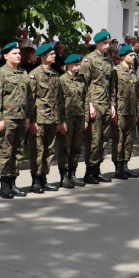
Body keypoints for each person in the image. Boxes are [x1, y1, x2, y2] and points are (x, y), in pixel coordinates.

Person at [0, 42, 33, 198]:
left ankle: (13, 182)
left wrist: (28, 117)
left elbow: (29, 98)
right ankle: (4, 185)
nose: (18, 55)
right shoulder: (0, 74)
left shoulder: (23, 73)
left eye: (19, 53)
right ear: (6, 56)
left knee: (17, 152)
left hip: (21, 119)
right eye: (15, 53)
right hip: (7, 119)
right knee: (5, 152)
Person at [28, 43, 64, 192]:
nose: (54, 56)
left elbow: (59, 100)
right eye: (51, 54)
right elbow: (30, 99)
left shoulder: (56, 75)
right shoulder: (34, 75)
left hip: (52, 119)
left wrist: (59, 120)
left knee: (49, 151)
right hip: (40, 119)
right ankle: (35, 180)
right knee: (38, 150)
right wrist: (32, 120)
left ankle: (44, 178)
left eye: (54, 54)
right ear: (42, 57)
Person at [80, 31, 115, 184]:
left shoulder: (108, 61)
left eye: (108, 43)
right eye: (104, 43)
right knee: (93, 139)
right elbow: (83, 85)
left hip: (106, 104)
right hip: (94, 103)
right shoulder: (89, 60)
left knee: (104, 138)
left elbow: (112, 84)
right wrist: (89, 105)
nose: (107, 46)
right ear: (97, 43)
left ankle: (97, 169)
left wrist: (113, 104)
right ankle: (90, 171)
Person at [57, 54, 87, 188]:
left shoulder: (81, 80)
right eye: (75, 64)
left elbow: (85, 99)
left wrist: (85, 118)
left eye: (79, 64)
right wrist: (60, 121)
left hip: (79, 117)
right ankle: (63, 176)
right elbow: (58, 102)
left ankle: (72, 174)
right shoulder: (62, 80)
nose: (78, 66)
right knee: (65, 147)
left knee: (76, 147)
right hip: (67, 119)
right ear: (68, 65)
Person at [110, 44, 139, 179]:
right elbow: (112, 91)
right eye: (131, 55)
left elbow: (136, 92)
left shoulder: (133, 71)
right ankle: (118, 167)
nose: (134, 57)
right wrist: (113, 108)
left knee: (129, 139)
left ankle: (125, 165)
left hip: (131, 110)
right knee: (119, 139)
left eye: (134, 55)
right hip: (120, 110)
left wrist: (137, 111)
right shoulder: (115, 71)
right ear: (123, 56)